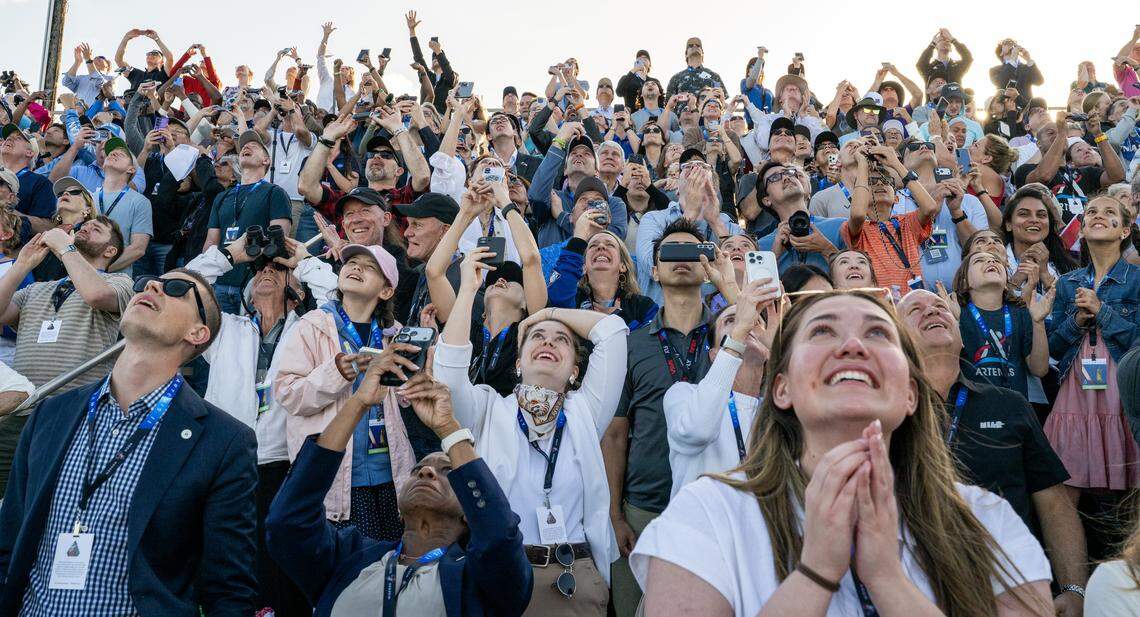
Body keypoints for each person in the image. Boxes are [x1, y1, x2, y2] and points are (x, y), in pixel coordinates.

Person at [632, 290, 1054, 616]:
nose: (853, 345)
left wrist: (888, 579)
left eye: (877, 332)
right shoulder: (704, 516)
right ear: (782, 389)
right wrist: (815, 574)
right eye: (822, 331)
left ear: (910, 393)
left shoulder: (987, 519)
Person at [0, 266, 260, 615]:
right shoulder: (51, 414)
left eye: (178, 288)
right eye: (147, 283)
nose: (152, 284)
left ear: (197, 333)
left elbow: (228, 588)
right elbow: (9, 543)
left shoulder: (224, 441)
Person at [434, 249, 628, 616]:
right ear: (519, 364)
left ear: (574, 371)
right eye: (536, 337)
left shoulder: (585, 410)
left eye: (561, 340)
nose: (548, 342)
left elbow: (612, 331)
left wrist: (546, 314)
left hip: (575, 580)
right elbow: (449, 374)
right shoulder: (488, 408)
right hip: (503, 577)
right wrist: (467, 293)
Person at [266, 359, 533, 617]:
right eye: (417, 470)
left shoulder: (480, 580)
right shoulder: (348, 559)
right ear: (399, 505)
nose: (426, 471)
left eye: (448, 472)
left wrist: (448, 429)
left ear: (470, 512)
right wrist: (358, 402)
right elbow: (287, 522)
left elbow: (499, 535)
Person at [899, 289, 1089, 615]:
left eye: (940, 307)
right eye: (915, 309)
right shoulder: (886, 414)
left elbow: (1055, 504)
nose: (932, 311)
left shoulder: (1009, 403)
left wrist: (1074, 590)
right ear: (894, 339)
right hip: (918, 593)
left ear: (962, 338)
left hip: (1014, 590)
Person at [185, 232, 336, 616]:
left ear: (297, 292)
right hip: (227, 460)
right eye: (260, 270)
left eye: (276, 269)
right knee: (226, 557)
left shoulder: (314, 328)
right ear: (248, 292)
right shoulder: (225, 329)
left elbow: (338, 293)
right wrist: (231, 254)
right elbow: (182, 289)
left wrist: (300, 258)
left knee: (277, 563)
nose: (266, 272)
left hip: (283, 461)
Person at [604, 218, 723, 617]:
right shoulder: (632, 343)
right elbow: (616, 434)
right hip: (644, 507)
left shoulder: (730, 336)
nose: (682, 259)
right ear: (653, 269)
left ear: (709, 264)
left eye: (694, 250)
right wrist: (615, 515)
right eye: (669, 252)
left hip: (715, 504)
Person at [274, 244, 416, 542]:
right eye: (352, 262)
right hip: (335, 480)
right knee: (343, 582)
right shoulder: (310, 326)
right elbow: (287, 394)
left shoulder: (397, 335)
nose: (356, 268)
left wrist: (418, 381)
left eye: (369, 267)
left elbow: (404, 400)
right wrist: (338, 372)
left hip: (389, 478)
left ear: (386, 291)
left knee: (383, 572)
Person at [1046, 195, 1140, 559]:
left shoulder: (1137, 280)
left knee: (1132, 493)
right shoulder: (1068, 284)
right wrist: (1076, 322)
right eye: (1091, 213)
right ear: (1082, 229)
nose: (1098, 216)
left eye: (1109, 213)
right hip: (1076, 392)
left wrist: (1102, 313)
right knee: (1063, 491)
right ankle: (1077, 586)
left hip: (1124, 391)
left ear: (1125, 230)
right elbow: (1053, 347)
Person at [665, 280, 779, 496]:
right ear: (716, 354)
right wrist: (740, 332)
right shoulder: (683, 394)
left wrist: (780, 353)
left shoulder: (775, 408)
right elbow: (697, 431)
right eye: (731, 321)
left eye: (754, 322)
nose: (745, 326)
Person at [203, 130, 293, 314]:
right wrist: (206, 276)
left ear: (266, 161)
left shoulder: (275, 192)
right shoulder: (222, 196)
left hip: (253, 284)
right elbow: (211, 242)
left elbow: (280, 242)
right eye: (243, 146)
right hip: (219, 282)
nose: (246, 146)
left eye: (255, 146)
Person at [843, 140, 939, 296]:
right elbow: (858, 214)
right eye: (872, 182)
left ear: (896, 198)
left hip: (914, 302)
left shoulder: (906, 222)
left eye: (886, 181)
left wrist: (896, 163)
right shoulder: (859, 229)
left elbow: (930, 208)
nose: (880, 182)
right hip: (882, 305)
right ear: (862, 195)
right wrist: (862, 165)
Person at [951, 251, 1052, 400]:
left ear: (1006, 283)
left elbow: (1040, 369)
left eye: (996, 261)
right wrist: (954, 322)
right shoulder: (957, 311)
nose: (991, 262)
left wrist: (1038, 323)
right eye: (979, 261)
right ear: (965, 281)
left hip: (1014, 411)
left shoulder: (1021, 312)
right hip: (970, 411)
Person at [1016, 113, 1126, 224]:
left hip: (1087, 236)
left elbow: (1117, 176)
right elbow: (1044, 176)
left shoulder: (1086, 172)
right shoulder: (1025, 170)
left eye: (1061, 132)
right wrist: (1061, 133)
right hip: (1052, 237)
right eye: (1050, 133)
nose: (1058, 135)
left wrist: (1098, 134)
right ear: (1038, 143)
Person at [548, 228, 658, 331]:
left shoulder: (644, 306)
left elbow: (650, 344)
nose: (601, 246)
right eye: (592, 246)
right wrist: (577, 241)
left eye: (610, 244)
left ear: (622, 266)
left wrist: (619, 318)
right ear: (584, 266)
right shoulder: (573, 299)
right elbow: (557, 301)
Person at [754, 160, 845, 274]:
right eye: (775, 177)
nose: (786, 177)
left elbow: (861, 277)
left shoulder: (841, 227)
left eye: (789, 172)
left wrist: (826, 248)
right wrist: (774, 256)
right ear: (766, 200)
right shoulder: (761, 248)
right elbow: (758, 288)